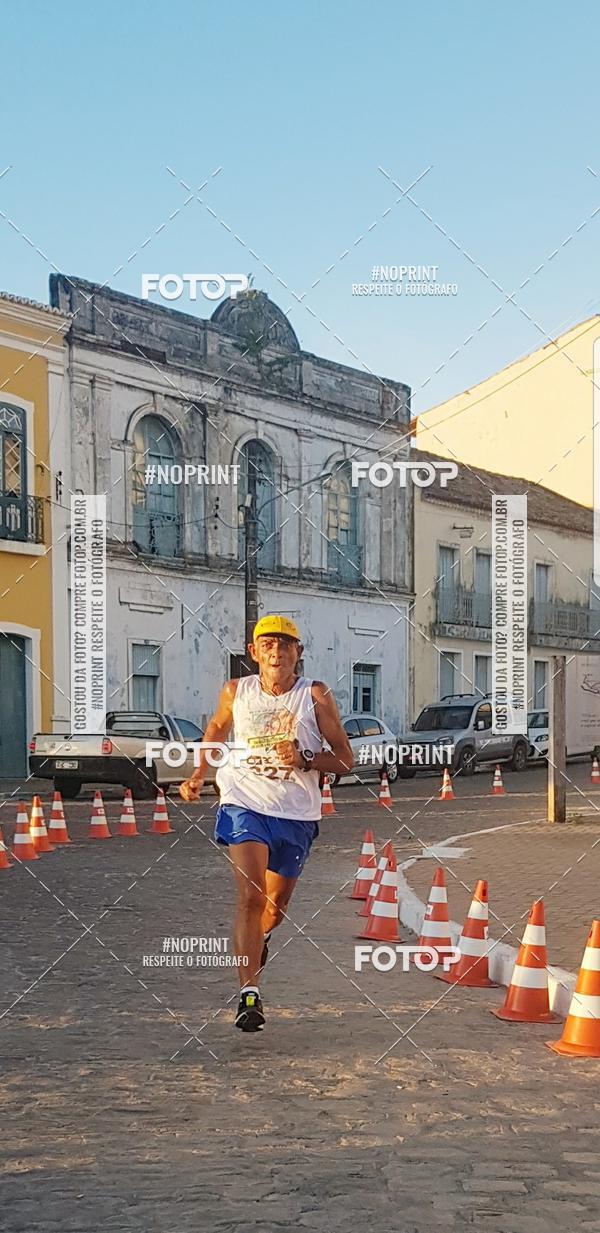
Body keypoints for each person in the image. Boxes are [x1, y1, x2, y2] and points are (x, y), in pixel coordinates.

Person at [179, 614, 354, 1032]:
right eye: (268, 644)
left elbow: (346, 760)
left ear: (299, 654)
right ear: (254, 653)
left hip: (296, 813)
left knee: (273, 910)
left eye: (286, 645)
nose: (277, 651)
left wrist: (306, 759)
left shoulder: (315, 696)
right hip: (244, 802)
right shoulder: (235, 691)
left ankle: (261, 939)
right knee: (250, 897)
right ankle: (249, 996)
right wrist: (199, 773)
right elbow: (217, 728)